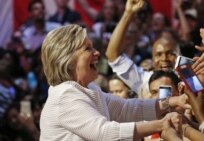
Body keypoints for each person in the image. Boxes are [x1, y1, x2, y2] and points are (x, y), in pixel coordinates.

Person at [40, 18, 183, 141]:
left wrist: (172, 101)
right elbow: (105, 133)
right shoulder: (65, 96)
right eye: (87, 49)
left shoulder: (90, 89)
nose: (97, 53)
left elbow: (126, 109)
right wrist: (160, 125)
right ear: (68, 60)